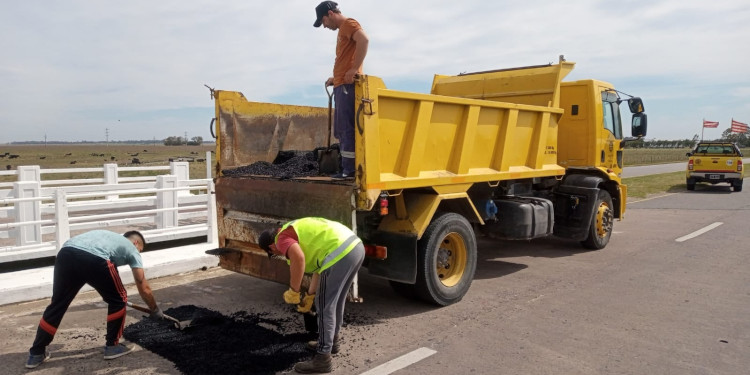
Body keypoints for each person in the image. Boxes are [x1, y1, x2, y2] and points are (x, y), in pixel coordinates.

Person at [25, 230, 164, 369]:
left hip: (66, 254)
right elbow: (142, 284)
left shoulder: (106, 237)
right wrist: (155, 309)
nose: (138, 253)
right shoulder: (131, 248)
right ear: (136, 242)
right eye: (140, 250)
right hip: (95, 259)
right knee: (119, 300)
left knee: (57, 305)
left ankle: (36, 354)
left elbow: (97, 271)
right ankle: (112, 346)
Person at [258, 217, 365, 374]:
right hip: (355, 248)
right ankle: (331, 342)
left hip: (340, 252)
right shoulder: (295, 232)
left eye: (272, 253)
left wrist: (293, 291)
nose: (278, 253)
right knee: (336, 301)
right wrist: (309, 296)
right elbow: (317, 269)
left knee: (324, 306)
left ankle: (323, 359)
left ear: (270, 246)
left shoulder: (281, 238)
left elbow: (298, 260)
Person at [313, 1, 369, 179]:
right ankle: (346, 168)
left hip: (347, 86)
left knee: (346, 128)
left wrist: (354, 69)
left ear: (330, 14)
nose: (324, 26)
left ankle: (349, 171)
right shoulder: (343, 30)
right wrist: (335, 78)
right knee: (341, 129)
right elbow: (346, 57)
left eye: (323, 21)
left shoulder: (348, 24)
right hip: (340, 84)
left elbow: (364, 39)